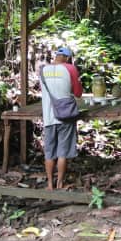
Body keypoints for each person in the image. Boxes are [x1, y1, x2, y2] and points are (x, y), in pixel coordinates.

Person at [40, 46, 83, 190]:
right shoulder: (70, 68)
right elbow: (77, 93)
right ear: (67, 57)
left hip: (48, 116)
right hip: (66, 115)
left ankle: (50, 184)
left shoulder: (42, 70)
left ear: (56, 55)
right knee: (62, 152)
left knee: (49, 152)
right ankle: (60, 182)